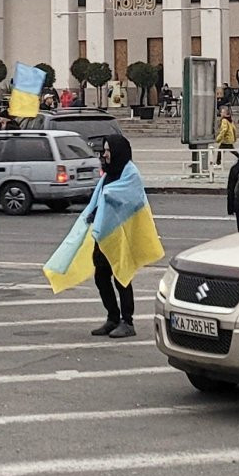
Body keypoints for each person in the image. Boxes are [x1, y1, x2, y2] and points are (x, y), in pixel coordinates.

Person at [89, 134, 141, 339]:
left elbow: (133, 200)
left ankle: (127, 322)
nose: (104, 154)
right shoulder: (108, 174)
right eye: (104, 150)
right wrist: (93, 213)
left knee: (122, 278)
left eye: (108, 151)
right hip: (104, 235)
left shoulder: (131, 174)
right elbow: (100, 198)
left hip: (121, 235)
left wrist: (111, 195)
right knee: (101, 277)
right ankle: (112, 317)